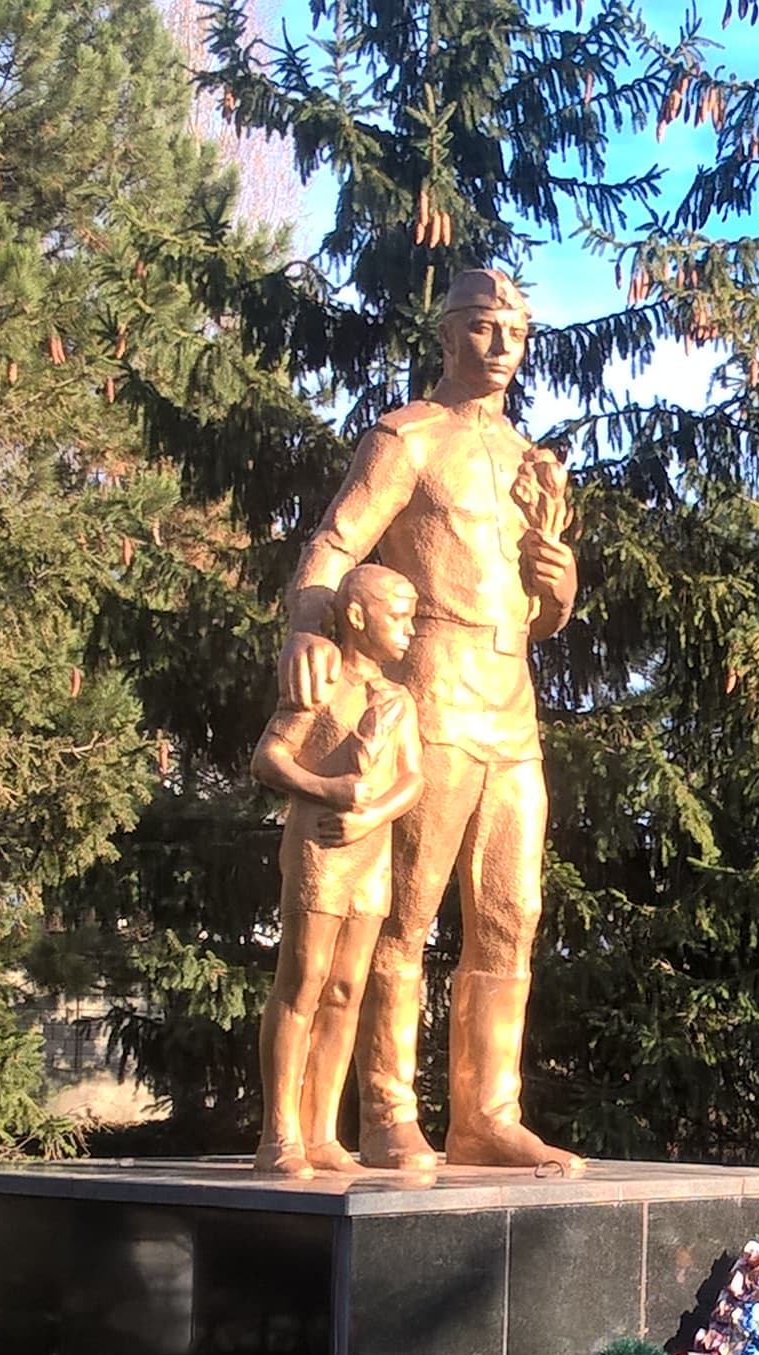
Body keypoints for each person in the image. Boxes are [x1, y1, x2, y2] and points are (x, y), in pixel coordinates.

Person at [276, 267, 584, 1170]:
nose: (501, 346)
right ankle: (385, 1112)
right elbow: (336, 542)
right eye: (484, 327)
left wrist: (559, 591)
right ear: (447, 334)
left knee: (510, 913)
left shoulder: (528, 459)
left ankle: (487, 1115)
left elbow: (537, 603)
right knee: (404, 912)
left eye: (516, 332)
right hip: (433, 686)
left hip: (511, 699)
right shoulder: (408, 438)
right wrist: (306, 626)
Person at [250, 564, 425, 1175]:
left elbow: (412, 779)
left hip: (368, 852)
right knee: (303, 981)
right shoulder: (321, 681)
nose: (409, 629)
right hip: (319, 847)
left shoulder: (398, 700)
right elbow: (269, 757)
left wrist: (370, 813)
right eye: (397, 615)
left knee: (348, 990)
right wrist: (327, 789)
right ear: (357, 616)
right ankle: (280, 1135)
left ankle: (323, 1132)